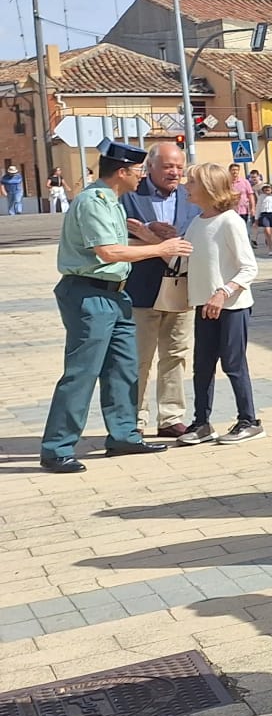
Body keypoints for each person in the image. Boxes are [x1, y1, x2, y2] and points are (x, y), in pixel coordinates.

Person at [39, 143, 189, 472]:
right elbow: (109, 252)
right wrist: (160, 247)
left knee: (123, 367)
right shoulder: (93, 202)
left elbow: (121, 246)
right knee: (82, 372)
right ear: (121, 173)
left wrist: (150, 238)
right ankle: (57, 447)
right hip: (89, 294)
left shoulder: (112, 202)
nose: (141, 177)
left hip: (117, 294)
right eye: (137, 172)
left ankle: (123, 434)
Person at [178, 163, 263, 445]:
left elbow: (249, 268)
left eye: (192, 182)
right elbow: (183, 257)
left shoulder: (230, 221)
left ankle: (249, 420)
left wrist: (222, 292)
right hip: (205, 305)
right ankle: (201, 422)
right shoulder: (196, 221)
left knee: (233, 363)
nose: (185, 186)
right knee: (202, 365)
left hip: (231, 306)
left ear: (208, 187)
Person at [122, 142, 199, 440]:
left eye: (179, 167)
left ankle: (170, 416)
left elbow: (195, 240)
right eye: (168, 166)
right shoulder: (129, 195)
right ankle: (134, 418)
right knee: (139, 357)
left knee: (176, 354)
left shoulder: (191, 197)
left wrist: (159, 235)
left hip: (180, 288)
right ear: (150, 167)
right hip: (140, 290)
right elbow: (113, 240)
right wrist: (151, 236)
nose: (175, 172)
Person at [255, 183, 272, 254]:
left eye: (268, 188)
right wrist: (256, 218)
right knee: (267, 231)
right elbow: (258, 207)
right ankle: (270, 248)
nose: (266, 190)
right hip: (264, 215)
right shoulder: (261, 197)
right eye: (265, 188)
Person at [229, 164, 255, 232]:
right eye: (233, 170)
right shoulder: (227, 183)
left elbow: (250, 195)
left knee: (244, 229)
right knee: (234, 229)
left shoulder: (245, 182)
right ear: (229, 171)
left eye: (236, 170)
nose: (235, 172)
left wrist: (253, 208)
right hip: (231, 210)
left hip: (244, 210)